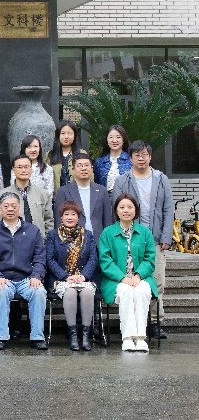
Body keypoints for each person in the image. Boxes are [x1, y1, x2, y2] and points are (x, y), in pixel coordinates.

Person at [112, 140, 174, 339]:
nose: (141, 158)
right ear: (130, 158)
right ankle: (134, 323)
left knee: (157, 282)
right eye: (137, 155)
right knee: (131, 283)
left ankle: (155, 322)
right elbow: (116, 209)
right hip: (129, 240)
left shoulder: (161, 179)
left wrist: (166, 236)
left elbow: (168, 209)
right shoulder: (123, 180)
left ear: (150, 157)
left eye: (144, 154)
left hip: (155, 241)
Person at [0, 191, 48, 350]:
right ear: (0, 208)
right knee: (1, 291)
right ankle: (1, 337)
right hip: (2, 277)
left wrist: (36, 276)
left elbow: (40, 257)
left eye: (13, 206)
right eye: (6, 206)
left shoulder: (33, 230)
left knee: (39, 292)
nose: (10, 209)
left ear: (20, 207)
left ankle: (37, 337)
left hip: (26, 278)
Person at [99, 193, 158, 353]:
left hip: (141, 278)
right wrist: (122, 278)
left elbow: (150, 259)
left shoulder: (145, 232)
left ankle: (140, 338)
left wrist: (138, 276)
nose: (126, 210)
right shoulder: (107, 233)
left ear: (136, 210)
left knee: (141, 291)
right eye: (122, 207)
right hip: (116, 280)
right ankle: (127, 338)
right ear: (116, 211)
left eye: (130, 207)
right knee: (126, 292)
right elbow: (105, 260)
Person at [47, 200, 99, 351]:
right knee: (70, 292)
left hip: (83, 277)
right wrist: (65, 276)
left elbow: (93, 258)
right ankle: (73, 335)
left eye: (73, 214)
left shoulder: (87, 235)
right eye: (66, 214)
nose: (69, 217)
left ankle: (85, 335)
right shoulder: (53, 235)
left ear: (78, 217)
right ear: (61, 217)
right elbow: (50, 259)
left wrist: (83, 276)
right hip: (62, 279)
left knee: (87, 292)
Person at [54, 152, 113, 239]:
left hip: (98, 240)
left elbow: (107, 219)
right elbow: (58, 220)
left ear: (92, 169)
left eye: (86, 165)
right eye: (80, 166)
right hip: (72, 241)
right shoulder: (63, 191)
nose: (83, 168)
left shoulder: (102, 190)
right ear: (73, 170)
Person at [0, 154, 54, 235]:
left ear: (31, 169)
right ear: (13, 170)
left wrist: (45, 239)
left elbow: (49, 221)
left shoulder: (43, 193)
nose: (23, 170)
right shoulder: (3, 194)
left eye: (26, 167)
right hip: (12, 240)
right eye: (19, 167)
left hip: (38, 240)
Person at [95, 124, 131, 193]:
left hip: (126, 197)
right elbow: (96, 183)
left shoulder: (131, 160)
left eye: (118, 137)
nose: (114, 140)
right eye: (111, 137)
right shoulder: (99, 162)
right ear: (107, 140)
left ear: (123, 139)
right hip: (105, 197)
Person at [48, 120, 82, 192]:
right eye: (63, 133)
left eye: (70, 133)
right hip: (57, 196)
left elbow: (89, 178)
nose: (66, 137)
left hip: (77, 196)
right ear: (58, 135)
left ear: (74, 136)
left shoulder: (81, 154)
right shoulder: (49, 155)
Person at [20, 135, 54, 201]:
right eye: (29, 147)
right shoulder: (17, 168)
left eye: (35, 146)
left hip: (42, 205)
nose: (33, 150)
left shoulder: (47, 169)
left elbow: (49, 193)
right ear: (24, 149)